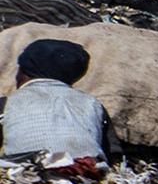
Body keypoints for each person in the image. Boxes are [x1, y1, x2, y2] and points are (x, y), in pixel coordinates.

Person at [1, 38, 117, 170]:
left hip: (25, 174)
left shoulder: (7, 104)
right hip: (85, 174)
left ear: (22, 73)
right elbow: (113, 155)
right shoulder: (92, 103)